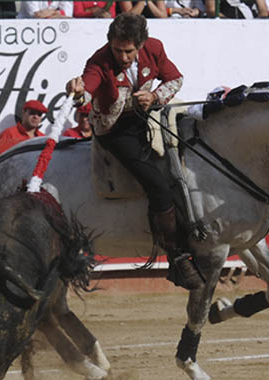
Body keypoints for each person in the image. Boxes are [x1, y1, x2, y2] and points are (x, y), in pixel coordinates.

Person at [65, 13, 202, 290]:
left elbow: (175, 79)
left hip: (147, 119)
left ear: (140, 44)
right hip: (114, 131)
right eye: (118, 50)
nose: (123, 57)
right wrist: (78, 91)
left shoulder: (155, 48)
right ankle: (177, 257)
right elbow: (87, 91)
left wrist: (154, 97)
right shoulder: (99, 61)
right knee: (157, 185)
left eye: (128, 51)